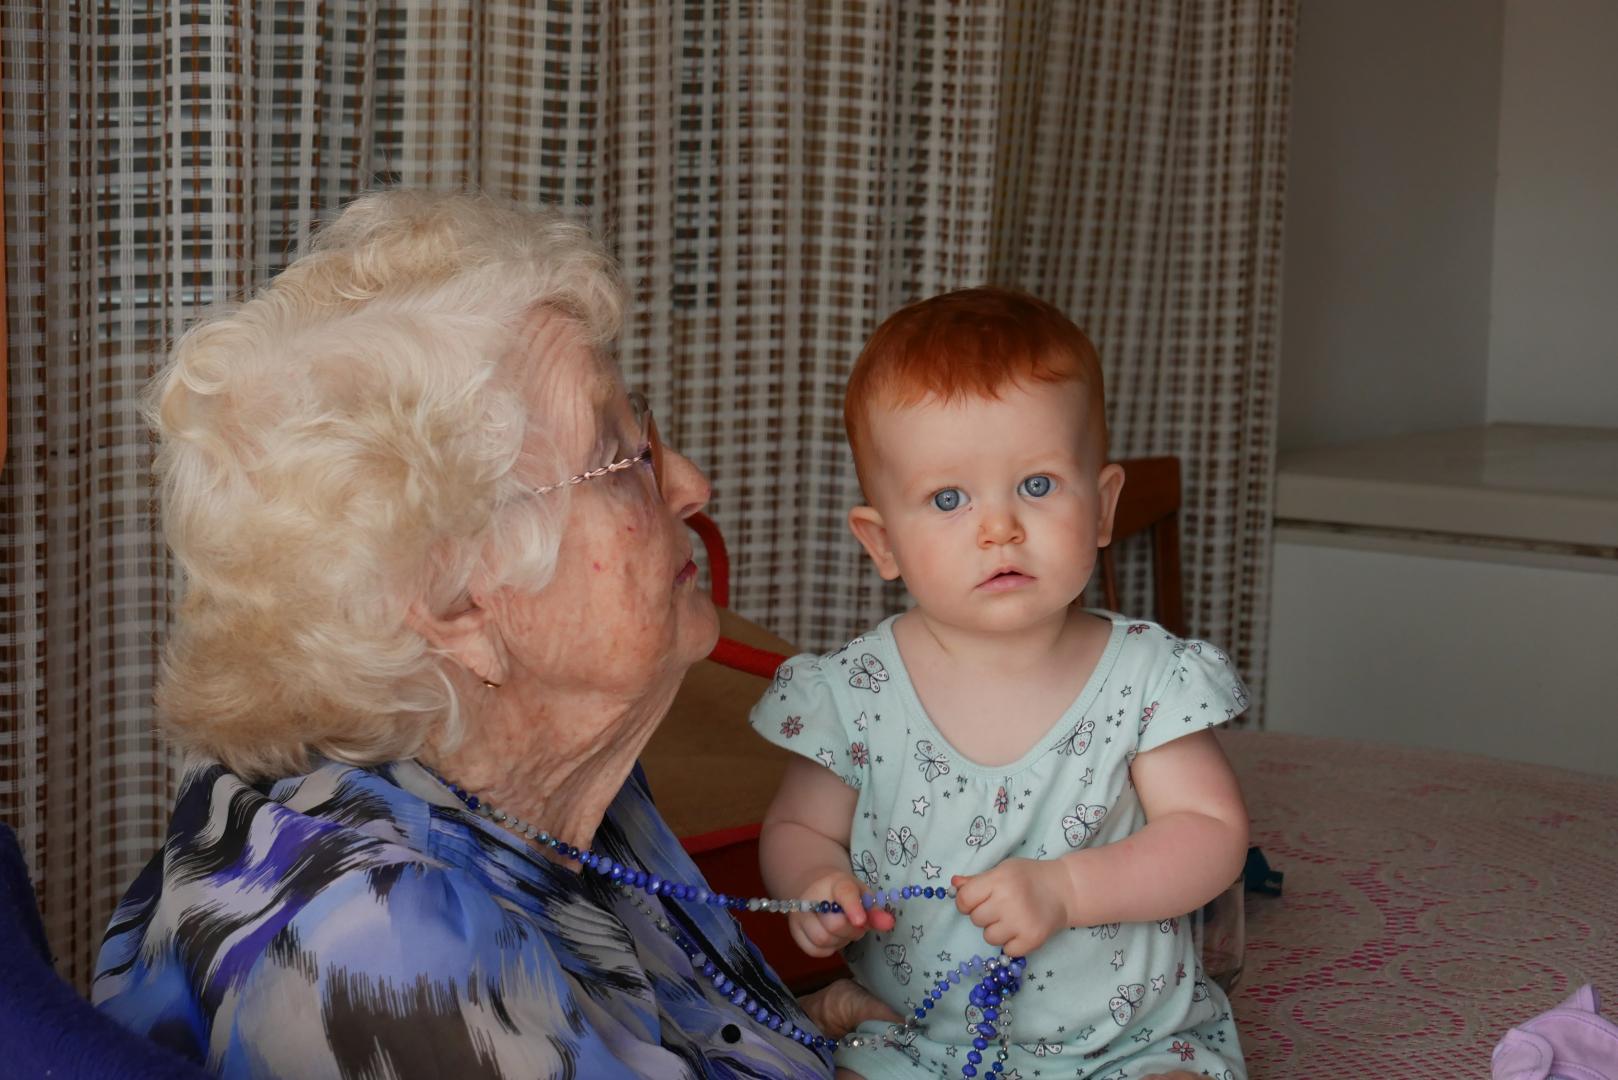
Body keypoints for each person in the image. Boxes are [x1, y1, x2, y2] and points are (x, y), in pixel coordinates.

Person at [91, 189, 897, 1079]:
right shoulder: (389, 949)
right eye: (621, 460)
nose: (691, 483)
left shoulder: (539, 778)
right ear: (456, 604)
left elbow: (648, 1037)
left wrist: (818, 1035)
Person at [748, 288, 1251, 1080]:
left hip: (1129, 1044)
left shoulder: (1147, 676)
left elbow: (1211, 832)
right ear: (882, 542)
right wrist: (815, 884)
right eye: (949, 499)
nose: (999, 528)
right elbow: (796, 827)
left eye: (1038, 485)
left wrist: (1068, 889)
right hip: (917, 1037)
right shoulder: (854, 692)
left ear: (1102, 507)